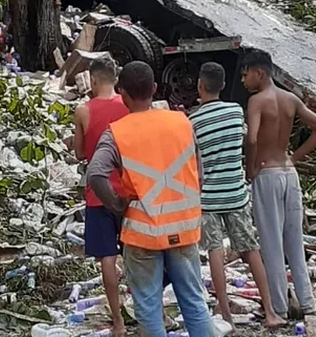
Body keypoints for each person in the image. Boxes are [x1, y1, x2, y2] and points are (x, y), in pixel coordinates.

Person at [87, 61, 213, 337]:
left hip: (143, 234)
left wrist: (117, 205)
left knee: (148, 308)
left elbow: (95, 173)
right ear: (155, 88)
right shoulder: (181, 122)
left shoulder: (117, 132)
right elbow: (199, 174)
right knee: (194, 302)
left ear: (123, 94)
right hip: (184, 229)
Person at [190, 62, 286, 328]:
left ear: (200, 85)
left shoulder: (193, 121)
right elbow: (247, 142)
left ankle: (226, 317)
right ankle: (270, 312)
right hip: (235, 192)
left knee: (215, 251)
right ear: (222, 85)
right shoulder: (235, 112)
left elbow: (193, 161)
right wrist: (248, 170)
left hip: (208, 197)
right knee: (250, 249)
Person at [241, 49, 316, 319]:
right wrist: (294, 157)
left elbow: (253, 139)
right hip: (289, 173)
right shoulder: (290, 98)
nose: (244, 81)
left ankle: (279, 306)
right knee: (294, 241)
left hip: (267, 173)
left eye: (246, 75)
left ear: (260, 73)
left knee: (271, 242)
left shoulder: (257, 101)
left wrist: (251, 168)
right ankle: (307, 302)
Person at [72, 57, 130, 336]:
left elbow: (80, 153)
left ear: (93, 80)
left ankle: (118, 322)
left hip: (98, 194)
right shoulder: (129, 106)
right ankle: (145, 311)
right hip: (130, 191)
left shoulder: (83, 110)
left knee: (107, 257)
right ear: (115, 79)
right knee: (137, 253)